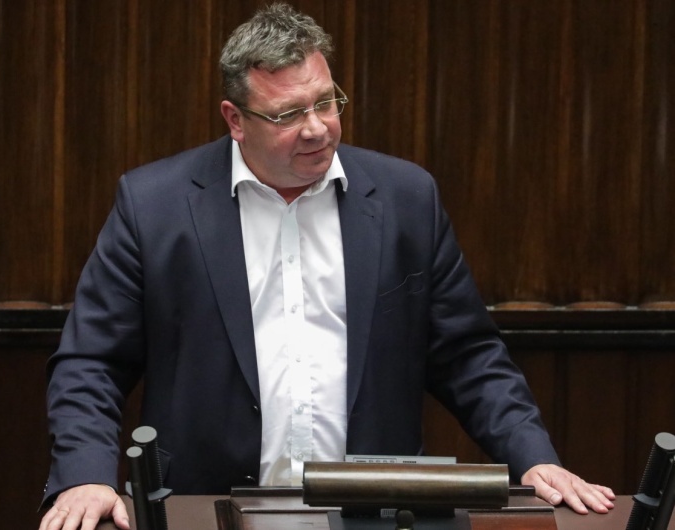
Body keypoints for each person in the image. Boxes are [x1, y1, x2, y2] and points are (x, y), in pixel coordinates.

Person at [39, 4, 615, 530]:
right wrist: (85, 473)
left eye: (325, 101)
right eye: (288, 113)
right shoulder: (155, 206)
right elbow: (92, 360)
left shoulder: (406, 198)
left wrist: (532, 457)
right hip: (207, 508)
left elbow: (467, 355)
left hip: (375, 512)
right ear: (235, 120)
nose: (317, 127)